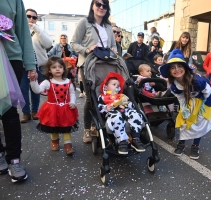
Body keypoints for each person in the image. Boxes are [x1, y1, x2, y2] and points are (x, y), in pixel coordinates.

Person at [0, 0, 38, 182]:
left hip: (10, 56)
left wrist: (30, 64)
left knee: (9, 111)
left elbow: (23, 30)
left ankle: (14, 159)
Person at [71, 0, 117, 144]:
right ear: (92, 6)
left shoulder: (109, 26)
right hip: (88, 64)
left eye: (104, 5)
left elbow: (113, 44)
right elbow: (73, 43)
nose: (101, 7)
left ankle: (101, 124)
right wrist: (86, 49)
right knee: (91, 97)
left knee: (104, 94)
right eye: (98, 4)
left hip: (105, 64)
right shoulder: (84, 22)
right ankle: (87, 128)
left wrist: (114, 50)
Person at [160, 49, 211, 160]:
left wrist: (202, 105)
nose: (176, 70)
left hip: (202, 101)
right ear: (170, 72)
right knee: (183, 121)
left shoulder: (197, 80)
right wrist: (183, 107)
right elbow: (180, 97)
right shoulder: (174, 85)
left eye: (179, 66)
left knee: (199, 123)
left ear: (185, 67)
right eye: (172, 67)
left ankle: (195, 145)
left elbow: (207, 91)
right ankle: (182, 143)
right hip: (188, 101)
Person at [30, 56, 78, 155]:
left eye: (60, 67)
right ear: (49, 70)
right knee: (53, 126)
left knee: (66, 127)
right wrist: (33, 81)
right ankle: (54, 141)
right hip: (52, 108)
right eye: (54, 67)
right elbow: (37, 90)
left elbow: (72, 93)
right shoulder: (47, 82)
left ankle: (68, 145)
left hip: (66, 108)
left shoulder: (68, 82)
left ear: (64, 69)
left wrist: (72, 102)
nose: (57, 69)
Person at [98, 72, 145, 154]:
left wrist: (129, 104)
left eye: (118, 85)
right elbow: (98, 107)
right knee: (116, 117)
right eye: (114, 84)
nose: (117, 86)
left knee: (135, 114)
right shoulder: (102, 97)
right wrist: (106, 108)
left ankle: (136, 138)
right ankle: (122, 141)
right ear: (105, 87)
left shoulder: (121, 95)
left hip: (125, 110)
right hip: (113, 113)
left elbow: (130, 104)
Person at [20, 8, 52, 123]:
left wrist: (36, 29)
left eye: (34, 17)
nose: (31, 19)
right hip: (23, 66)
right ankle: (26, 112)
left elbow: (48, 44)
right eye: (29, 16)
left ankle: (35, 111)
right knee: (23, 90)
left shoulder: (40, 31)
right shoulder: (20, 30)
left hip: (39, 65)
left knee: (36, 90)